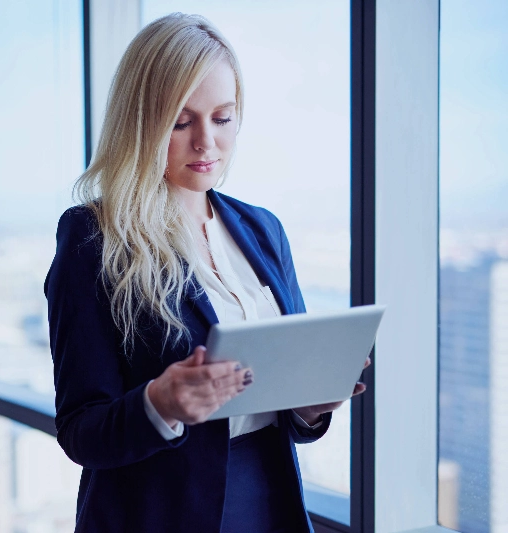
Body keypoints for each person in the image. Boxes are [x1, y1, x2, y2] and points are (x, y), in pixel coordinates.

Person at [44, 12, 368, 533]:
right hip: (155, 514)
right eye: (180, 121)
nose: (206, 143)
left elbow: (287, 411)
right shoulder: (94, 238)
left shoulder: (262, 230)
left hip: (269, 502)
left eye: (222, 117)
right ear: (141, 121)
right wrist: (160, 404)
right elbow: (81, 431)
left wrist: (309, 405)